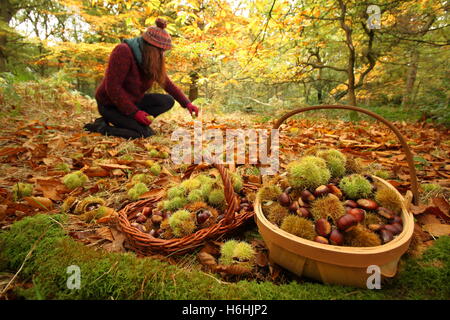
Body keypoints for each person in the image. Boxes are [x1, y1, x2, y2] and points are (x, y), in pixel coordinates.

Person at [84, 18, 199, 139]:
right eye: (161, 51)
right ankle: (101, 127)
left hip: (132, 102)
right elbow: (112, 88)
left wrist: (187, 104)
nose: (162, 55)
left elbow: (166, 83)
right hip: (110, 105)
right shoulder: (123, 51)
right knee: (144, 134)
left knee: (167, 101)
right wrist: (135, 113)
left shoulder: (150, 61)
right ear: (151, 47)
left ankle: (129, 122)